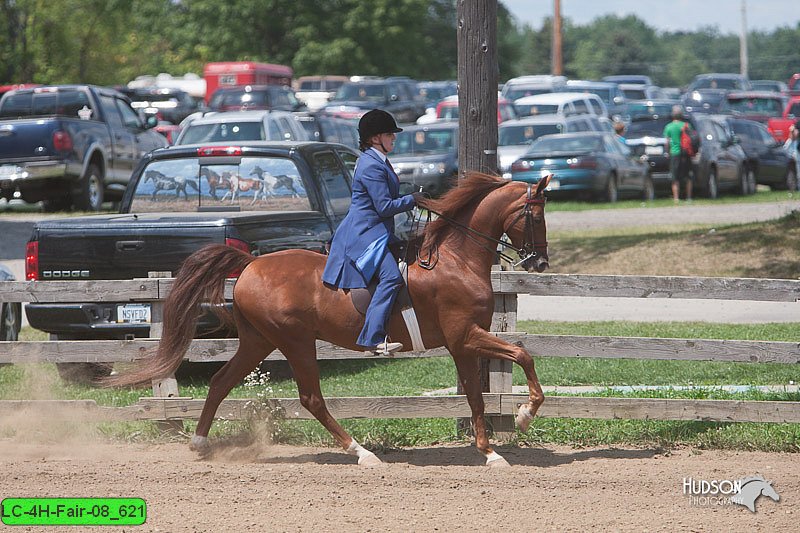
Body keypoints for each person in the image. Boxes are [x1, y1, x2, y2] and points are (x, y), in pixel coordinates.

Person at [322, 109, 423, 355]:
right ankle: (373, 338)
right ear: (375, 138)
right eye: (390, 134)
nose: (394, 138)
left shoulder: (377, 160)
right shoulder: (371, 165)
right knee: (391, 277)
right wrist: (413, 199)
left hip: (376, 230)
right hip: (365, 234)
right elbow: (384, 207)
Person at [663, 105, 693, 204]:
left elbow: (667, 142)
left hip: (674, 153)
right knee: (687, 176)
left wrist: (666, 152)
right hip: (686, 153)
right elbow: (691, 139)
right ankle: (688, 197)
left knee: (675, 177)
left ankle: (676, 198)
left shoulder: (669, 127)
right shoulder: (686, 125)